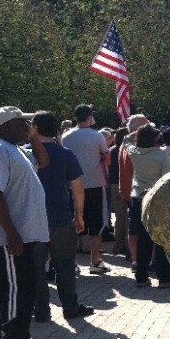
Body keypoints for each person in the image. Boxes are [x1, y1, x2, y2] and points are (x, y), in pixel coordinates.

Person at [0, 106, 49, 339]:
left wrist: (32, 137)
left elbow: (43, 162)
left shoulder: (14, 148)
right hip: (10, 239)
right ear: (6, 126)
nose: (26, 128)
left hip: (24, 235)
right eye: (22, 124)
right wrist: (11, 233)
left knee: (22, 293)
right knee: (14, 295)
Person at [31, 111, 94, 322]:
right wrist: (79, 215)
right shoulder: (65, 154)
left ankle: (41, 310)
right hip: (60, 216)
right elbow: (77, 189)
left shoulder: (26, 153)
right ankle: (70, 307)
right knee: (65, 266)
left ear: (35, 128)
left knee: (36, 268)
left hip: (32, 220)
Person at [61, 104, 111, 274]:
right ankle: (95, 261)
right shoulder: (97, 136)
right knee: (96, 224)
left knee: (74, 223)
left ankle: (72, 263)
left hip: (73, 185)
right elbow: (107, 159)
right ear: (89, 116)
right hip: (94, 184)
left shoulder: (66, 136)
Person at [126, 123, 170, 287]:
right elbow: (167, 178)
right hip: (157, 198)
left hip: (138, 198)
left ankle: (141, 276)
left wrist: (137, 131)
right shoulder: (160, 156)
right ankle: (164, 277)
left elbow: (125, 139)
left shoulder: (134, 152)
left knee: (143, 239)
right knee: (159, 239)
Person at [119, 113, 149, 269]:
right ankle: (141, 261)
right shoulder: (136, 148)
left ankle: (135, 260)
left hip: (130, 193)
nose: (149, 128)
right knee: (141, 230)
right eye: (146, 126)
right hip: (139, 194)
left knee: (133, 228)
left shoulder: (125, 144)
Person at [109, 127, 129, 256]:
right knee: (128, 217)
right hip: (127, 183)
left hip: (114, 184)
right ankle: (127, 245)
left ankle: (118, 244)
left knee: (119, 217)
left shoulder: (111, 151)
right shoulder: (128, 151)